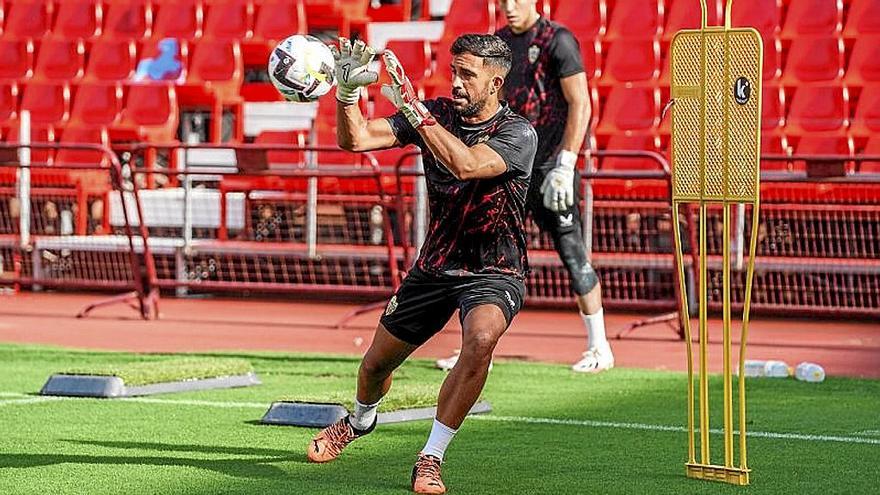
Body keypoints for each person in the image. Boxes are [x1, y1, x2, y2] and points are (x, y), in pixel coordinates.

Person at [307, 35, 537, 495]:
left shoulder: (519, 134)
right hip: (434, 267)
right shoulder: (436, 113)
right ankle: (359, 420)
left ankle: (431, 455)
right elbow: (356, 141)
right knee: (374, 368)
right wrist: (347, 95)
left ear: (495, 82)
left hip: (495, 270)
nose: (455, 82)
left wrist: (415, 110)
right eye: (453, 71)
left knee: (483, 337)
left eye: (467, 75)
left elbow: (467, 164)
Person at [494, 0, 614, 372]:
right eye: (503, 1)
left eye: (517, 0)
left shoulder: (557, 40)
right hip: (512, 165)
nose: (510, 7)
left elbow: (580, 103)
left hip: (551, 166)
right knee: (488, 256)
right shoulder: (498, 43)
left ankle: (600, 347)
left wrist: (566, 164)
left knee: (572, 251)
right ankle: (478, 348)